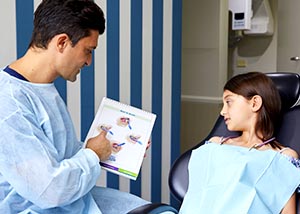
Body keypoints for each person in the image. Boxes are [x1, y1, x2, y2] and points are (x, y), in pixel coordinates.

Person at [0, 0, 149, 213]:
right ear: (61, 42)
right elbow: (49, 190)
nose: (88, 61)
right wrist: (93, 154)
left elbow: (58, 156)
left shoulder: (40, 89)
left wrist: (117, 149)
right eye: (88, 50)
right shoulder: (8, 103)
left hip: (70, 203)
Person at [179, 72, 300, 213]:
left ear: (255, 103)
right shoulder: (215, 144)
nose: (223, 112)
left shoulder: (283, 158)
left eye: (229, 102)